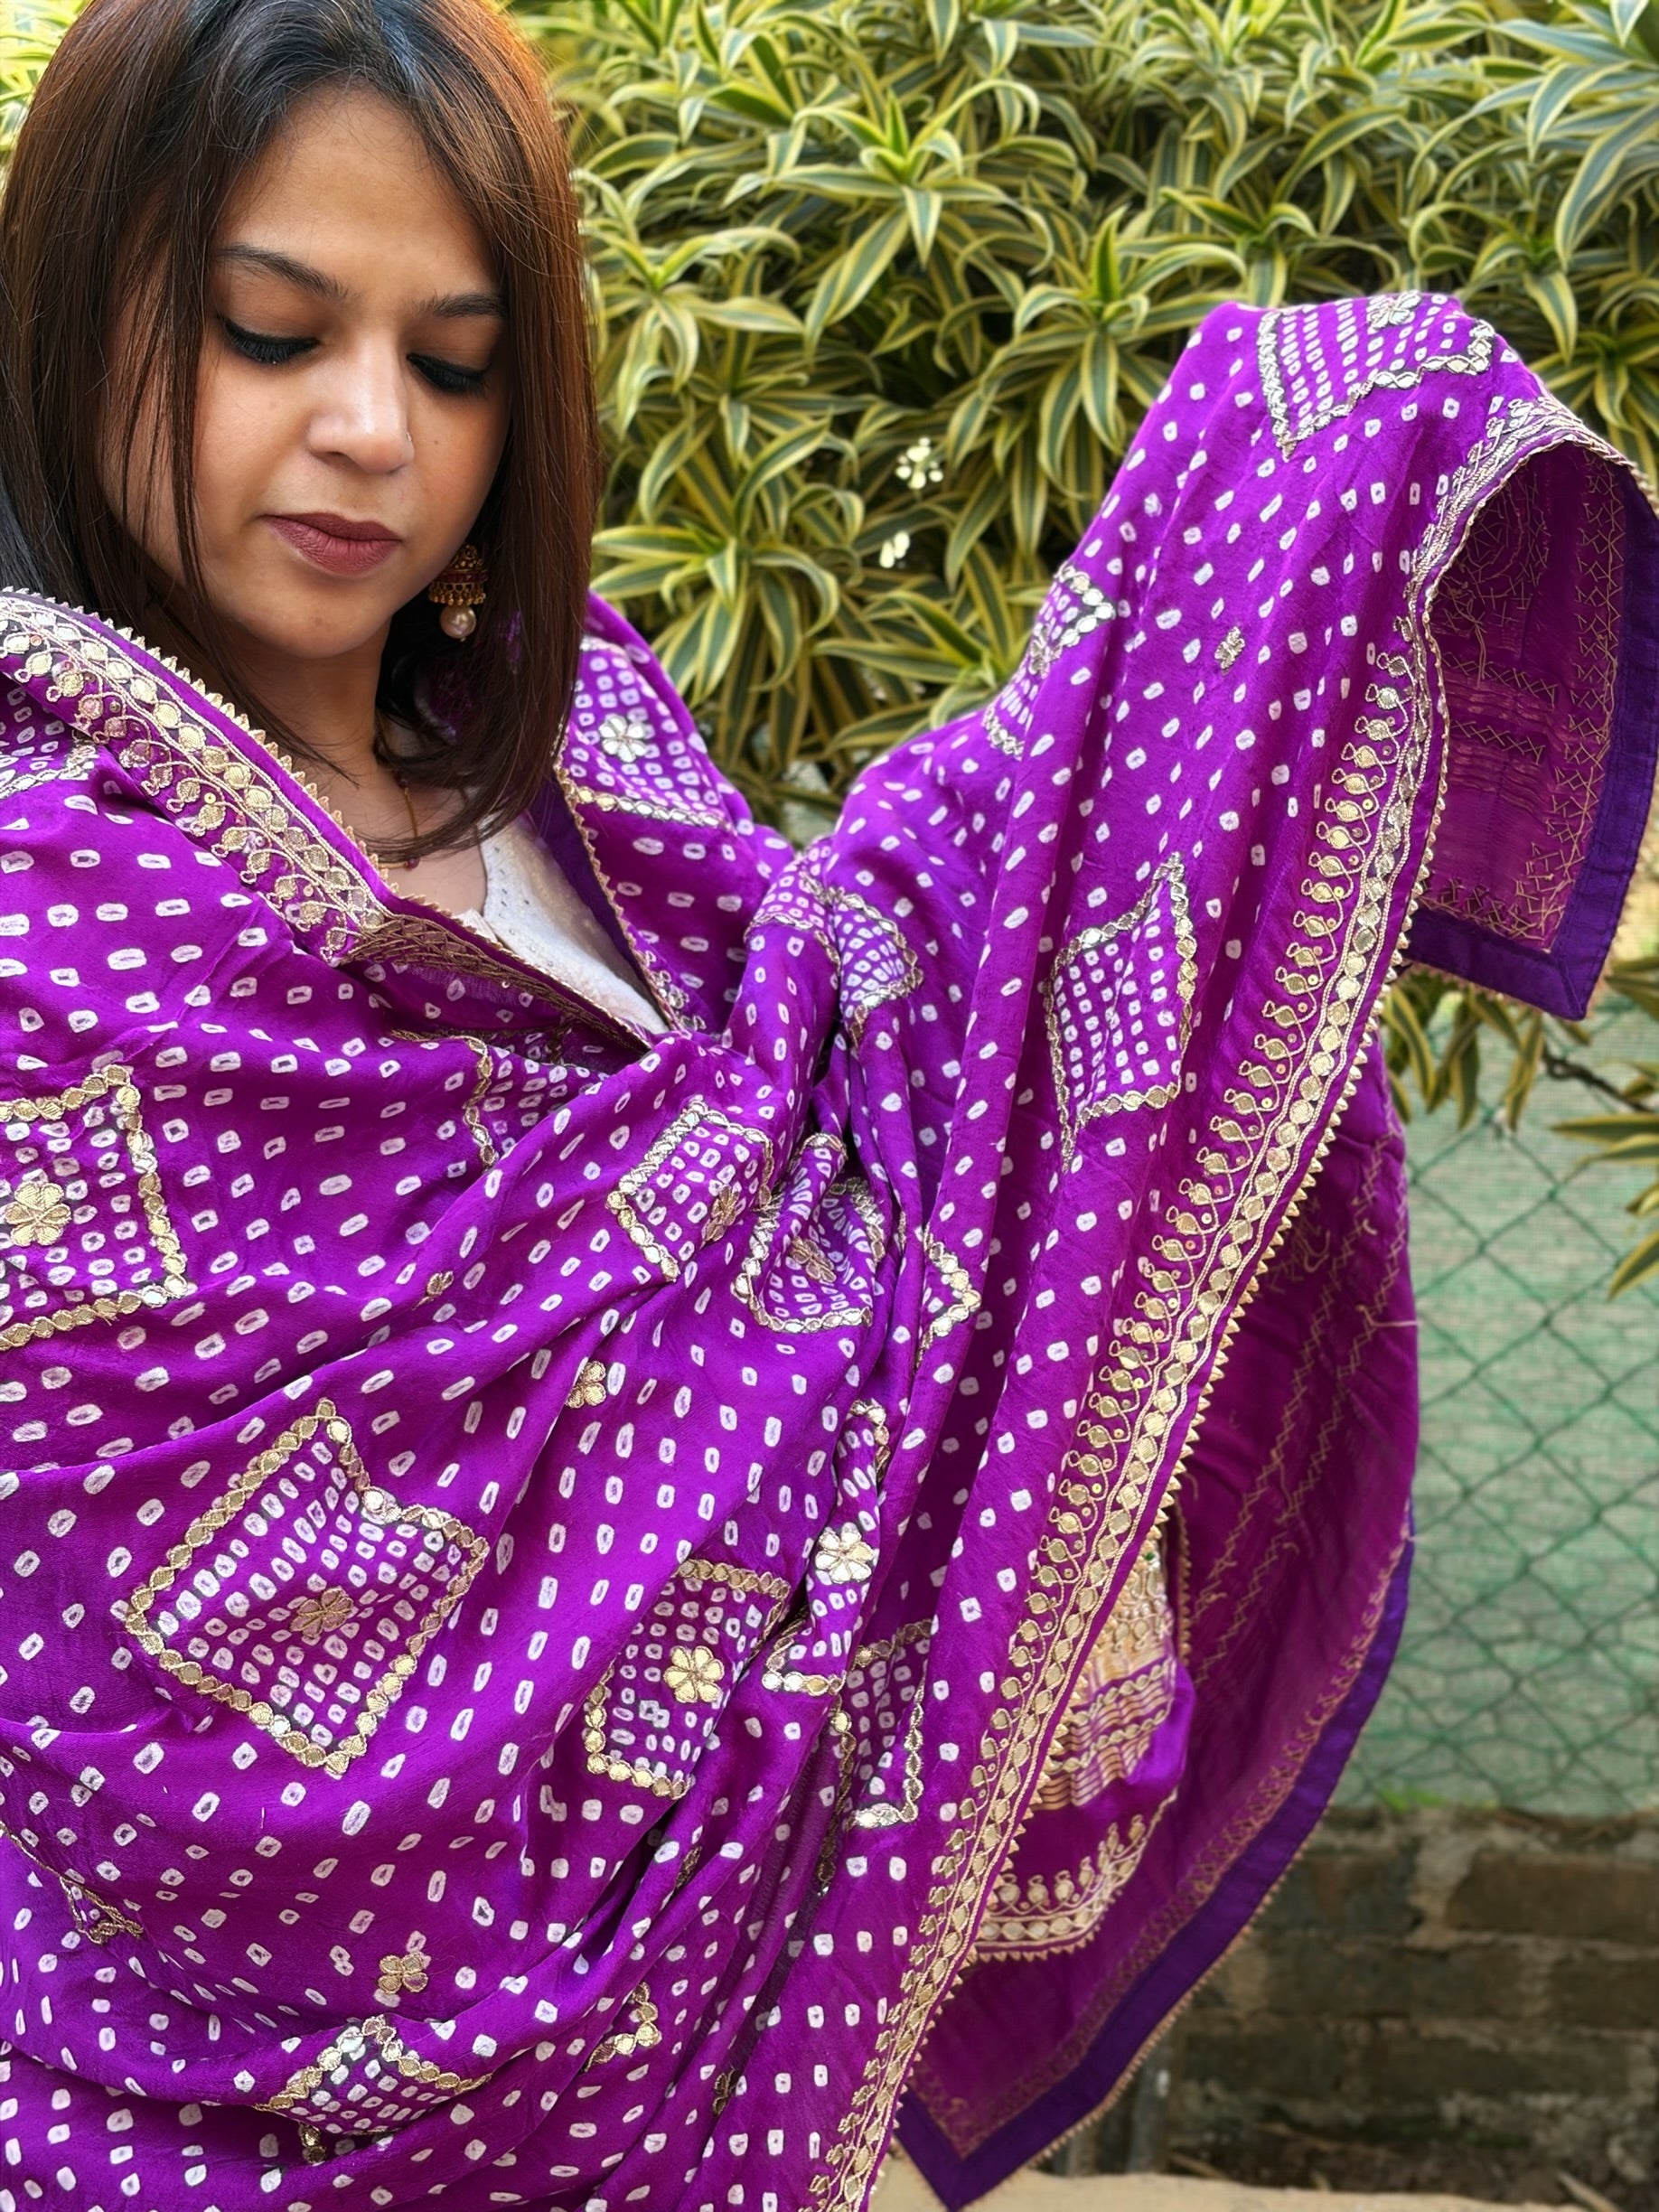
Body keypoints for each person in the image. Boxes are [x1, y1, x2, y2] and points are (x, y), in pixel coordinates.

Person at [0, 3, 1653, 2208]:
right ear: (66, 309)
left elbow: (861, 1105)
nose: (371, 431)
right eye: (267, 333)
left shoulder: (579, 732)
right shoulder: (47, 929)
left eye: (461, 358)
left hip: (740, 2039)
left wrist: (1228, 605)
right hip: (210, 2124)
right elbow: (188, 1715)